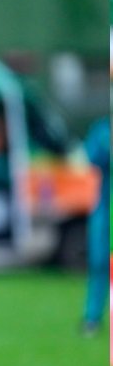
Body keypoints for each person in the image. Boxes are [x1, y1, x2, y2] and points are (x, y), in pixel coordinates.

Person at [80, 116, 109, 336]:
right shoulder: (102, 129)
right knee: (99, 262)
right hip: (105, 208)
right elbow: (91, 158)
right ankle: (92, 317)